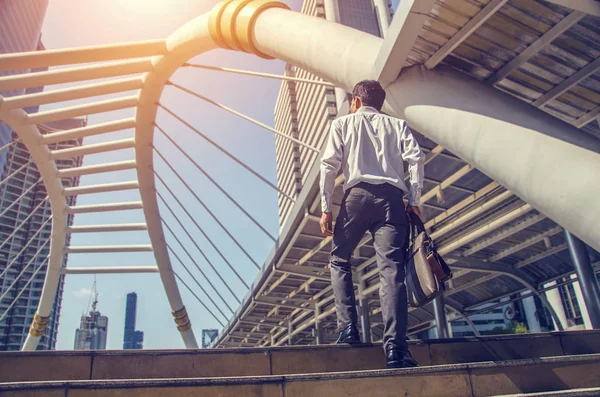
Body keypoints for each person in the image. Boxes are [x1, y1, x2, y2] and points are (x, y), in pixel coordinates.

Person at [319, 80, 425, 369]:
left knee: (339, 259)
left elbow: (328, 166)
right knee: (391, 271)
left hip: (356, 198)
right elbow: (416, 159)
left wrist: (326, 208)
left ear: (355, 101)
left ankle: (348, 329)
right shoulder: (397, 125)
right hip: (391, 200)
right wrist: (414, 199)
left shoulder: (342, 124)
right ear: (380, 104)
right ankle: (395, 351)